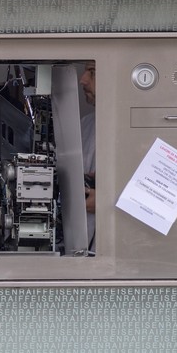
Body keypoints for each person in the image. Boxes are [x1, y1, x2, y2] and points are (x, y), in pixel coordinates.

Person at [78, 61, 97, 251]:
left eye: (92, 72)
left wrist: (107, 202)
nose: (82, 80)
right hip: (83, 248)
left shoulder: (146, 129)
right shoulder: (85, 125)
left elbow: (168, 197)